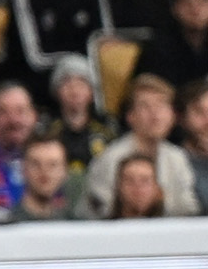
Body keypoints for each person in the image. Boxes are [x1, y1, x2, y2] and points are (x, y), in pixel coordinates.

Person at [85, 73, 200, 215]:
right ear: (130, 116)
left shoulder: (177, 157)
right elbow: (100, 210)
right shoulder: (111, 158)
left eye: (161, 104)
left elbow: (187, 209)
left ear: (173, 115)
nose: (155, 113)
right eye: (145, 106)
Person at [12, 131, 81, 220]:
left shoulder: (74, 224)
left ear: (65, 171)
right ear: (24, 169)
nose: (44, 171)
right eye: (36, 164)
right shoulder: (6, 223)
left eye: (53, 165)